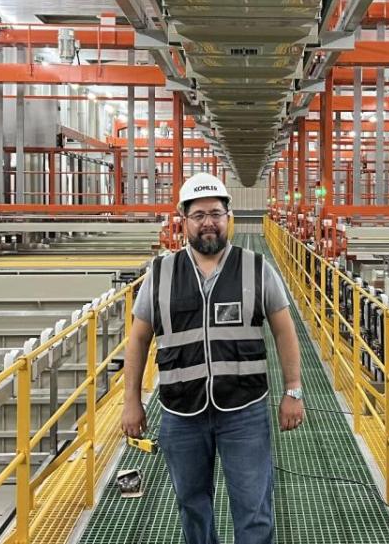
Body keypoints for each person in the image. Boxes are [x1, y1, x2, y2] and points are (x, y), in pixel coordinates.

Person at [121, 172, 304, 544]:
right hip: (180, 412)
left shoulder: (256, 267)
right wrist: (131, 402)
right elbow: (138, 340)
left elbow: (285, 330)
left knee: (253, 508)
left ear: (228, 217)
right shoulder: (160, 273)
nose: (209, 222)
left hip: (245, 410)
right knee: (192, 505)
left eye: (216, 214)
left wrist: (293, 391)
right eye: (200, 214)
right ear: (184, 220)